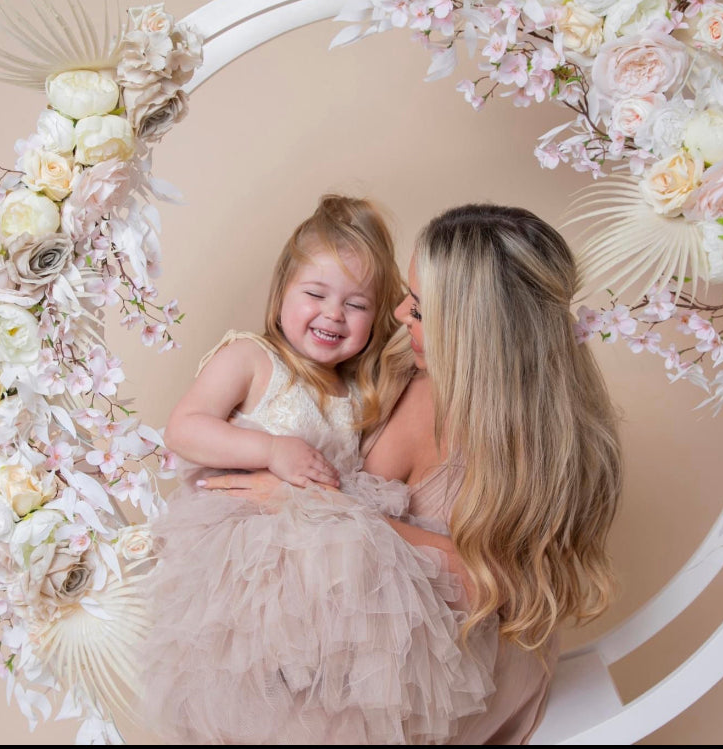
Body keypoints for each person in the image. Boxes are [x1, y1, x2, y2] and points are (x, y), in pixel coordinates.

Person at [201, 203, 623, 744]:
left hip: (463, 658)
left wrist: (318, 506)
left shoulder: (537, 442)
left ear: (472, 332)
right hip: (358, 626)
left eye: (420, 309)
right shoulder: (399, 362)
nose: (398, 314)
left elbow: (496, 589)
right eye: (407, 295)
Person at [138, 195, 496, 745]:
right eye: (315, 294)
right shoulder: (252, 358)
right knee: (250, 676)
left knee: (342, 668)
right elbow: (185, 428)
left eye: (356, 305)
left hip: (322, 556)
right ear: (282, 287)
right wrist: (270, 448)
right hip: (247, 549)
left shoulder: (357, 386)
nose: (333, 314)